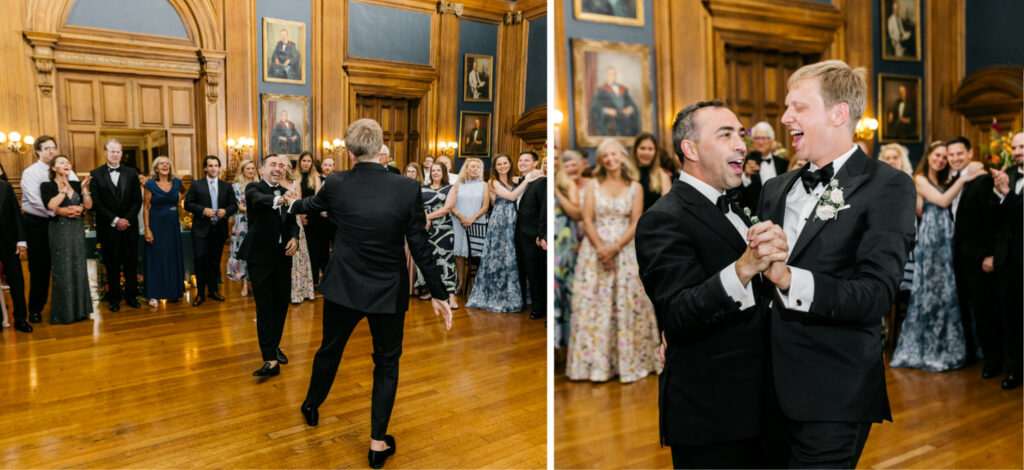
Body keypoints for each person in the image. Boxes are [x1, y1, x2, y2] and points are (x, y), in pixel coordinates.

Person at [754, 60, 916, 468]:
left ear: (838, 113)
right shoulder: (774, 189)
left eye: (799, 107)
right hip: (763, 388)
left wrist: (790, 278)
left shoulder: (888, 185)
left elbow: (876, 294)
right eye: (787, 107)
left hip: (833, 390)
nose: (785, 117)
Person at [285, 118, 451, 469]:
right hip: (388, 291)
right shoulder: (408, 188)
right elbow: (420, 246)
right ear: (381, 150)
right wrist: (440, 293)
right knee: (387, 363)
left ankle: (311, 406)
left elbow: (311, 207)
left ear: (349, 152)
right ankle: (378, 444)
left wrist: (290, 204)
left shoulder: (336, 183)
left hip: (343, 287)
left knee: (330, 350)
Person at [636, 100, 784, 469]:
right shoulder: (663, 219)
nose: (741, 144)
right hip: (712, 411)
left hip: (761, 401)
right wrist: (745, 267)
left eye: (741, 134)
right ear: (690, 149)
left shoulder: (738, 206)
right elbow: (678, 313)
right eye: (725, 134)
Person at [566, 138, 659, 383]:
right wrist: (601, 251)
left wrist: (615, 249)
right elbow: (586, 220)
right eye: (605, 155)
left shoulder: (635, 186)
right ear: (600, 160)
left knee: (627, 305)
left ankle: (631, 361)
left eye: (614, 154)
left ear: (621, 156)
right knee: (596, 306)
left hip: (625, 251)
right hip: (595, 252)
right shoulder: (593, 185)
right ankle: (595, 365)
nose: (610, 159)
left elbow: (636, 221)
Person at [890, 141, 983, 371]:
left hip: (949, 237)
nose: (941, 160)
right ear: (929, 156)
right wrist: (964, 178)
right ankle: (930, 347)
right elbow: (942, 201)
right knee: (930, 295)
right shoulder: (919, 178)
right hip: (932, 241)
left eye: (945, 157)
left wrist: (972, 168)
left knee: (948, 294)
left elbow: (970, 169)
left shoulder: (946, 179)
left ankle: (951, 346)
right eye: (937, 155)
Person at [237, 154, 299, 378]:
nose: (278, 169)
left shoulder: (287, 193)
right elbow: (257, 201)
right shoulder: (253, 188)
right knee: (264, 306)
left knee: (281, 305)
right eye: (273, 164)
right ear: (262, 170)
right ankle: (270, 359)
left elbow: (292, 224)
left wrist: (295, 238)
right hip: (260, 258)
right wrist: (283, 200)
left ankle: (274, 345)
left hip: (282, 257)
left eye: (281, 166)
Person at [946, 136, 1001, 374]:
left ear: (970, 153)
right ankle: (970, 354)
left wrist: (991, 255)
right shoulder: (953, 180)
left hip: (980, 259)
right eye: (951, 155)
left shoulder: (982, 180)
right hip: (959, 258)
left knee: (985, 311)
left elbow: (993, 222)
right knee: (965, 309)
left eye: (960, 153)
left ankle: (993, 361)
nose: (955, 158)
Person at [466, 154, 540, 312]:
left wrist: (534, 174)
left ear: (509, 164)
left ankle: (515, 294)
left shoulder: (514, 180)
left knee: (512, 258)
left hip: (514, 220)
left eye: (505, 163)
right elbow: (512, 196)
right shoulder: (492, 182)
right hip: (500, 222)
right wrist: (528, 180)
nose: (502, 166)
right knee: (500, 257)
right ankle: (498, 296)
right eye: (499, 164)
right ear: (495, 167)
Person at [21, 136, 75, 323]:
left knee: (64, 266)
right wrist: (59, 211)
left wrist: (76, 208)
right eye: (46, 148)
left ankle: (67, 307)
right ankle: (35, 309)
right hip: (38, 224)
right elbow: (35, 200)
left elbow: (74, 191)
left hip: (64, 224)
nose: (51, 151)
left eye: (53, 147)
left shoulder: (66, 168)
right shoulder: (31, 172)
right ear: (37, 151)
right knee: (40, 269)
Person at [89, 139, 143, 312]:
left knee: (130, 265)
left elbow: (137, 200)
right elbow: (97, 203)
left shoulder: (131, 172)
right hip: (108, 229)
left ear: (122, 153)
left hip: (129, 227)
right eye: (112, 151)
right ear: (105, 152)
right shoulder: (95, 174)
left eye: (118, 151)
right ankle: (114, 299)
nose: (115, 155)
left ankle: (132, 297)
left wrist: (125, 220)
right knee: (111, 266)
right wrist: (114, 221)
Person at [40, 155, 94, 324]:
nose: (66, 164)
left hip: (76, 229)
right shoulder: (47, 185)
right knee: (63, 268)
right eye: (62, 162)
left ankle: (81, 311)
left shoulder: (77, 184)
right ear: (54, 168)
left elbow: (89, 206)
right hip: (59, 230)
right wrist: (63, 187)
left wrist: (84, 190)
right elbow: (51, 206)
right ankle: (64, 313)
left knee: (78, 266)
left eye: (68, 162)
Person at [991, 131, 1024, 389]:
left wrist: (1007, 194)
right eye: (1014, 147)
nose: (1017, 152)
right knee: (1010, 318)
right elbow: (996, 218)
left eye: (1022, 147)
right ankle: (1014, 370)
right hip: (1007, 259)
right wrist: (999, 193)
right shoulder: (1007, 174)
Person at [184, 156, 237, 306]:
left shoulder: (226, 186)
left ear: (219, 168)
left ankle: (213, 290)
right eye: (210, 166)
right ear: (205, 168)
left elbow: (233, 204)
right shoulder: (196, 185)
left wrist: (225, 211)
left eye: (216, 165)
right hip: (201, 230)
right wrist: (203, 211)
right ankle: (200, 293)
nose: (213, 168)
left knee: (215, 262)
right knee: (200, 261)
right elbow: (188, 204)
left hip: (219, 229)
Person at [142, 156, 186, 306]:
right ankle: (154, 294)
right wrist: (147, 229)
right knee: (156, 258)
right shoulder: (150, 184)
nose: (165, 165)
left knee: (173, 256)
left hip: (172, 225)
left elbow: (183, 193)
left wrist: (176, 203)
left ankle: (175, 292)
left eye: (167, 163)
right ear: (156, 167)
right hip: (156, 225)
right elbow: (146, 207)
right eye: (161, 163)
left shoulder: (177, 182)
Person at [415, 162, 458, 307]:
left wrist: (428, 217)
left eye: (438, 170)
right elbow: (418, 206)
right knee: (428, 259)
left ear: (444, 172)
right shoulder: (422, 188)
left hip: (443, 229)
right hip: (426, 229)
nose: (435, 173)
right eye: (433, 170)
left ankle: (451, 295)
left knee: (446, 260)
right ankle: (432, 291)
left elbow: (448, 208)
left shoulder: (450, 188)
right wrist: (424, 216)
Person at [553, 150, 585, 347]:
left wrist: (557, 192)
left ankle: (565, 343)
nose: (555, 161)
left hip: (565, 247)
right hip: (551, 242)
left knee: (565, 292)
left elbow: (576, 214)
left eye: (557, 158)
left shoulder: (568, 185)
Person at [449, 158, 489, 296]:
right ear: (466, 169)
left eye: (478, 167)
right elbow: (450, 206)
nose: (475, 169)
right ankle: (460, 283)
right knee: (459, 254)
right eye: (472, 166)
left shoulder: (484, 185)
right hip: (458, 222)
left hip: (476, 223)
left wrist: (472, 219)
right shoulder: (458, 185)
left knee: (474, 254)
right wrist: (461, 217)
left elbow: (485, 206)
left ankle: (472, 283)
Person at [515, 151, 547, 320]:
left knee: (535, 273)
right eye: (520, 160)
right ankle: (523, 302)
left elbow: (544, 209)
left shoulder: (541, 182)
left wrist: (541, 234)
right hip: (519, 233)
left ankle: (538, 307)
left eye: (526, 160)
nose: (522, 163)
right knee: (523, 270)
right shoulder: (523, 181)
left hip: (532, 235)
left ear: (535, 163)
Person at [0, 175, 31, 332]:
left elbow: (16, 215)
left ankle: (20, 319)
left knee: (17, 281)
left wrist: (21, 241)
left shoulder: (6, 187)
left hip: (9, 243)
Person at [226, 159, 259, 297]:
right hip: (241, 223)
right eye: (248, 168)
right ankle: (244, 283)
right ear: (242, 170)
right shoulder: (236, 187)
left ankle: (255, 282)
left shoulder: (259, 185)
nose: (251, 171)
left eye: (252, 168)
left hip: (257, 222)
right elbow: (239, 205)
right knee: (242, 252)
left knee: (255, 253)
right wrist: (251, 210)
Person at [283, 160, 315, 303]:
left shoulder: (294, 183)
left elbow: (300, 203)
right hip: (280, 223)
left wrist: (302, 218)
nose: (282, 168)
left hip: (295, 223)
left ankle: (299, 291)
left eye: (284, 165)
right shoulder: (273, 185)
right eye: (279, 165)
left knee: (298, 256)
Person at [740, 121, 790, 210]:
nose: (760, 142)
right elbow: (738, 193)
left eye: (764, 138)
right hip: (753, 214)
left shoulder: (783, 163)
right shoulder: (743, 162)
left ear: (772, 140)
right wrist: (746, 175)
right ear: (752, 141)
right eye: (757, 138)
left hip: (779, 211)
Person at [296, 151, 328, 285]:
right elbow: (297, 197)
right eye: (304, 161)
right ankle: (303, 279)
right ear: (300, 162)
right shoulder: (296, 177)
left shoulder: (315, 177)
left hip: (314, 216)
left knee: (315, 248)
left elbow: (317, 197)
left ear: (312, 163)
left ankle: (314, 279)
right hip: (300, 214)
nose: (306, 163)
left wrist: (307, 213)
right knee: (303, 248)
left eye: (308, 161)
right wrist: (301, 215)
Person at [589, 66, 640, 136]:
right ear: (606, 76)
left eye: (614, 74)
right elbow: (594, 108)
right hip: (611, 124)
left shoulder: (623, 89)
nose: (612, 76)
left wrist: (631, 108)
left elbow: (631, 103)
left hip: (625, 124)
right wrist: (606, 110)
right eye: (610, 74)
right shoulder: (601, 91)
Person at [630, 133, 672, 212]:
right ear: (635, 150)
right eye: (642, 148)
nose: (646, 153)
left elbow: (667, 207)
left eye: (650, 149)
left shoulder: (662, 175)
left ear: (655, 152)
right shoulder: (627, 174)